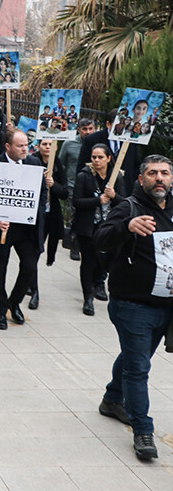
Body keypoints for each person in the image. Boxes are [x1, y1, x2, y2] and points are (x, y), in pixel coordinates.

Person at [94, 154, 173, 460]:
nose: (159, 178)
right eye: (152, 173)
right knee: (139, 369)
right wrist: (127, 226)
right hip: (132, 306)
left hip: (166, 306)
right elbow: (100, 238)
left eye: (165, 173)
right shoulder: (130, 206)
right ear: (141, 179)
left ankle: (112, 399)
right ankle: (143, 430)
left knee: (133, 357)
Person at [0, 129, 46, 331]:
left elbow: (42, 191)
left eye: (26, 144)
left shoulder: (34, 163)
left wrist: (33, 209)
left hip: (26, 228)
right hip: (3, 228)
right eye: (20, 146)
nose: (24, 149)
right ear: (8, 147)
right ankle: (1, 312)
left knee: (29, 266)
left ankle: (14, 302)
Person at [73, 144, 125, 315]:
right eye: (94, 157)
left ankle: (98, 283)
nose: (96, 161)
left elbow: (124, 204)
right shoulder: (84, 176)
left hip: (109, 228)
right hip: (88, 227)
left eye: (100, 157)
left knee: (105, 260)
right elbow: (77, 201)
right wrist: (97, 201)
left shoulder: (117, 177)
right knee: (88, 261)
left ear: (109, 158)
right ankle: (88, 297)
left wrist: (114, 196)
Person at [23, 138, 69, 309]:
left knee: (39, 253)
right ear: (39, 146)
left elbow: (65, 192)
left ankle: (29, 282)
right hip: (34, 217)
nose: (48, 147)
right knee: (33, 253)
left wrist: (53, 184)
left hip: (51, 216)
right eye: (44, 144)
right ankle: (34, 291)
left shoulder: (58, 165)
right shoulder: (31, 162)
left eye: (51, 144)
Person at [79, 109, 141, 195]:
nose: (121, 128)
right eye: (118, 125)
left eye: (124, 124)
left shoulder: (130, 140)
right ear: (108, 124)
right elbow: (83, 165)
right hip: (99, 191)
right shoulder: (92, 140)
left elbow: (136, 165)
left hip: (125, 190)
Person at [59, 118, 96, 260]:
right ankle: (74, 245)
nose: (88, 132)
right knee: (76, 214)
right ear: (79, 130)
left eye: (90, 129)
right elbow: (61, 164)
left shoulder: (97, 144)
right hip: (72, 186)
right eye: (85, 129)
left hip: (92, 187)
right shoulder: (69, 144)